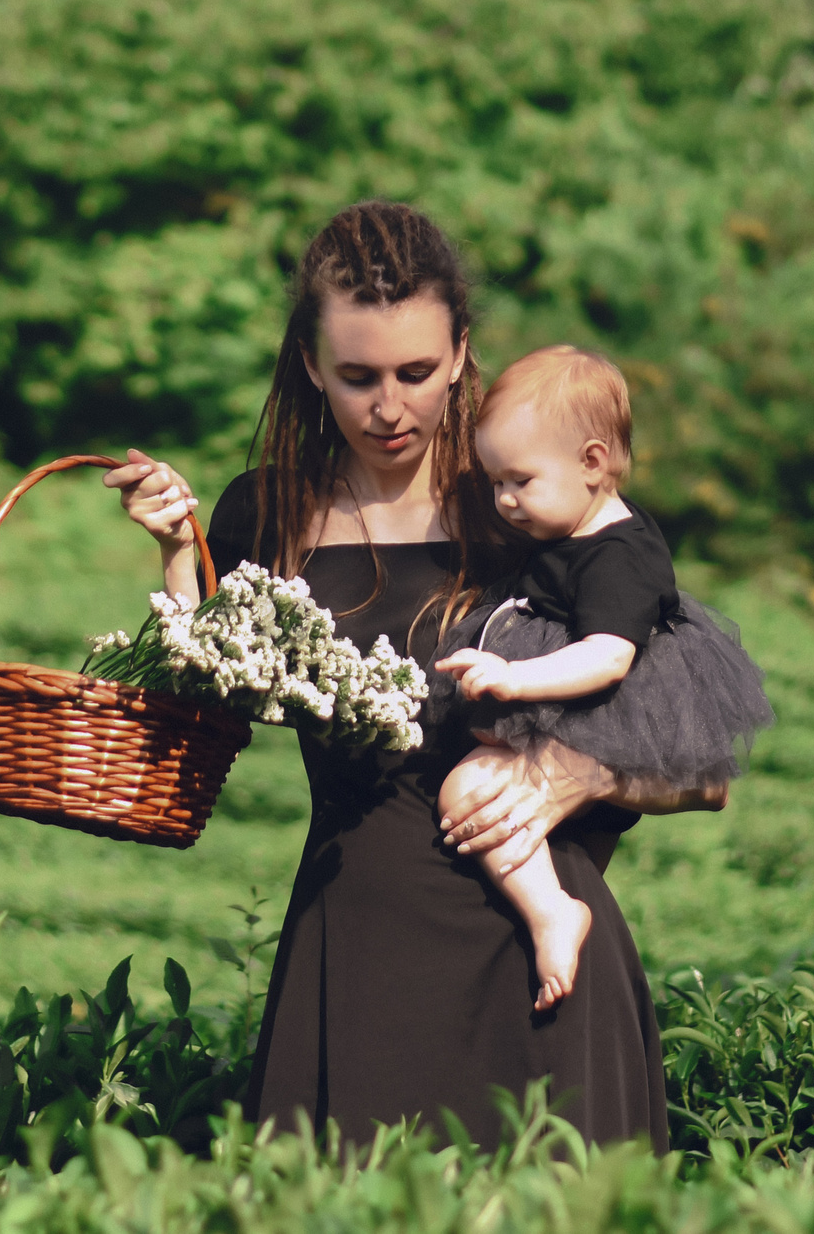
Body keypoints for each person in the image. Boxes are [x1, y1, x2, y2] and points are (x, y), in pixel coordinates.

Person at [106, 200, 728, 1154]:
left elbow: (705, 762)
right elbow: (189, 710)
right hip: (352, 952)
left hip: (537, 960)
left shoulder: (534, 506)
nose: (387, 406)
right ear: (311, 365)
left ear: (462, 353)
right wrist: (176, 552)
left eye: (416, 372)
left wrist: (575, 774)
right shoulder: (262, 516)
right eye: (356, 376)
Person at [430, 346, 775, 1012]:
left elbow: (609, 658)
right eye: (495, 480)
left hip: (606, 706)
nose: (504, 500)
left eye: (519, 480)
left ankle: (552, 911)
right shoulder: (577, 526)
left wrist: (514, 675)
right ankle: (547, 911)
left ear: (592, 463)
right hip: (574, 703)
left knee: (468, 790)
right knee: (511, 810)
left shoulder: (617, 558)